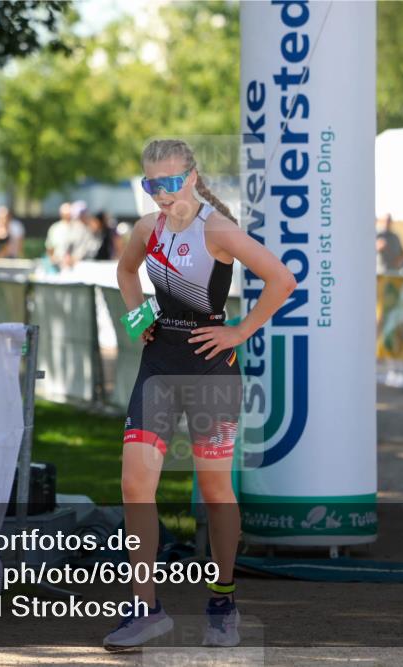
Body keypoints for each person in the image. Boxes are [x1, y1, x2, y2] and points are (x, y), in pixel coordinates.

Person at [105, 139, 296, 650]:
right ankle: (145, 608)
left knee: (215, 492)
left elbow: (282, 279)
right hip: (159, 363)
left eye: (169, 183)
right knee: (133, 484)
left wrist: (240, 330)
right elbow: (126, 272)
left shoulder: (218, 229)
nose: (161, 195)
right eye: (152, 185)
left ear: (191, 176)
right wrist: (136, 314)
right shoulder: (148, 229)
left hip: (211, 369)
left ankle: (222, 601)